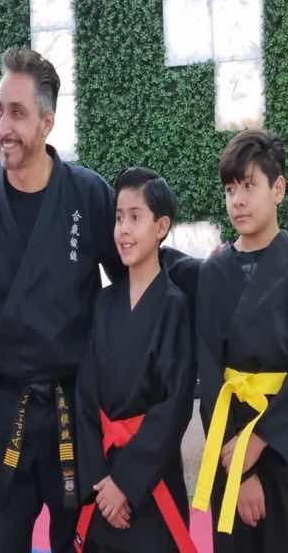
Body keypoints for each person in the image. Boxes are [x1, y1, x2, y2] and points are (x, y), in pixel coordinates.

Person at [0, 47, 123, 552]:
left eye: (17, 113)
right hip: (3, 410)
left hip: (73, 410)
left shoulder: (89, 196)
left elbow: (137, 280)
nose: (3, 127)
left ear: (47, 122)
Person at [191, 129, 288, 553]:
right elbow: (209, 372)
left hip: (286, 446)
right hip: (229, 444)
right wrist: (242, 470)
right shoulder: (213, 273)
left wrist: (258, 442)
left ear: (278, 189)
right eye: (230, 189)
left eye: (249, 186)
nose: (238, 200)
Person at [74, 168, 198, 553]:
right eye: (118, 217)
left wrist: (125, 485)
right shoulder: (103, 302)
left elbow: (174, 405)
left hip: (151, 484)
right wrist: (102, 483)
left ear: (161, 227)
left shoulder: (175, 306)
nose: (123, 230)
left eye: (135, 217)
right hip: (102, 483)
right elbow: (85, 395)